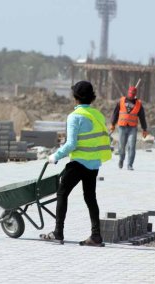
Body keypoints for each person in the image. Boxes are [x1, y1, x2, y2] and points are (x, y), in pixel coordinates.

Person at [41, 80, 112, 246]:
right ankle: (96, 236)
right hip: (93, 164)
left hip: (79, 162)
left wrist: (55, 156)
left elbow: (71, 144)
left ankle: (58, 232)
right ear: (92, 97)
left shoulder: (74, 117)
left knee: (62, 193)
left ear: (75, 97)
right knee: (90, 197)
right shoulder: (97, 115)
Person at [110, 86, 148, 170]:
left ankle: (130, 164)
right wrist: (113, 124)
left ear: (135, 94)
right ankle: (121, 159)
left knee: (132, 146)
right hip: (122, 127)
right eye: (130, 93)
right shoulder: (121, 101)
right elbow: (115, 113)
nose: (131, 95)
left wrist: (144, 129)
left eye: (133, 94)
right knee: (121, 146)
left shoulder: (138, 104)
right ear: (128, 92)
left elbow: (142, 117)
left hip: (132, 128)